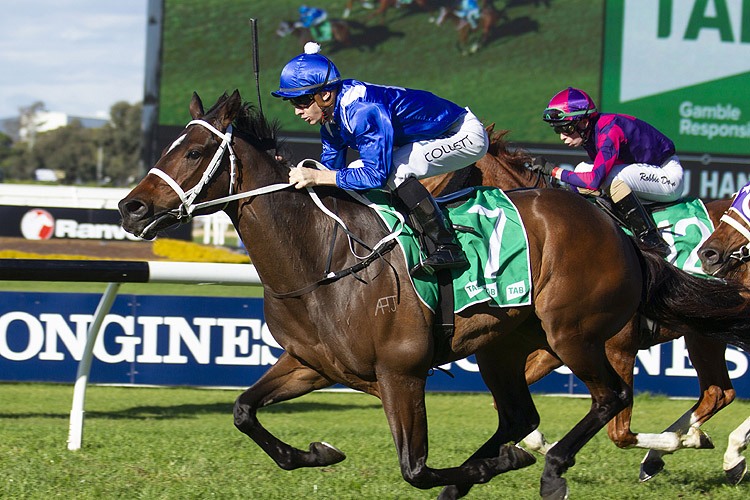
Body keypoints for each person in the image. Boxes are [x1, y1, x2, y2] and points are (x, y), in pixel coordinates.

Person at [271, 42, 489, 274]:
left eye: (302, 101)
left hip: (463, 134)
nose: (297, 110)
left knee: (394, 172)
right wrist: (290, 170)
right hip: (433, 136)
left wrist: (319, 176)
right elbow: (328, 173)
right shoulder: (332, 122)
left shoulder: (362, 111)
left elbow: (375, 175)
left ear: (325, 94)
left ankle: (448, 246)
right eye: (293, 103)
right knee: (354, 172)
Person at [538, 87, 684, 252]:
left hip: (668, 177)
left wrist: (554, 171)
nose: (562, 136)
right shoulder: (591, 131)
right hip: (644, 172)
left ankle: (651, 239)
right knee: (581, 168)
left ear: (584, 122)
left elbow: (594, 181)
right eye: (557, 129)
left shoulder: (610, 131)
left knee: (610, 177)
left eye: (566, 128)